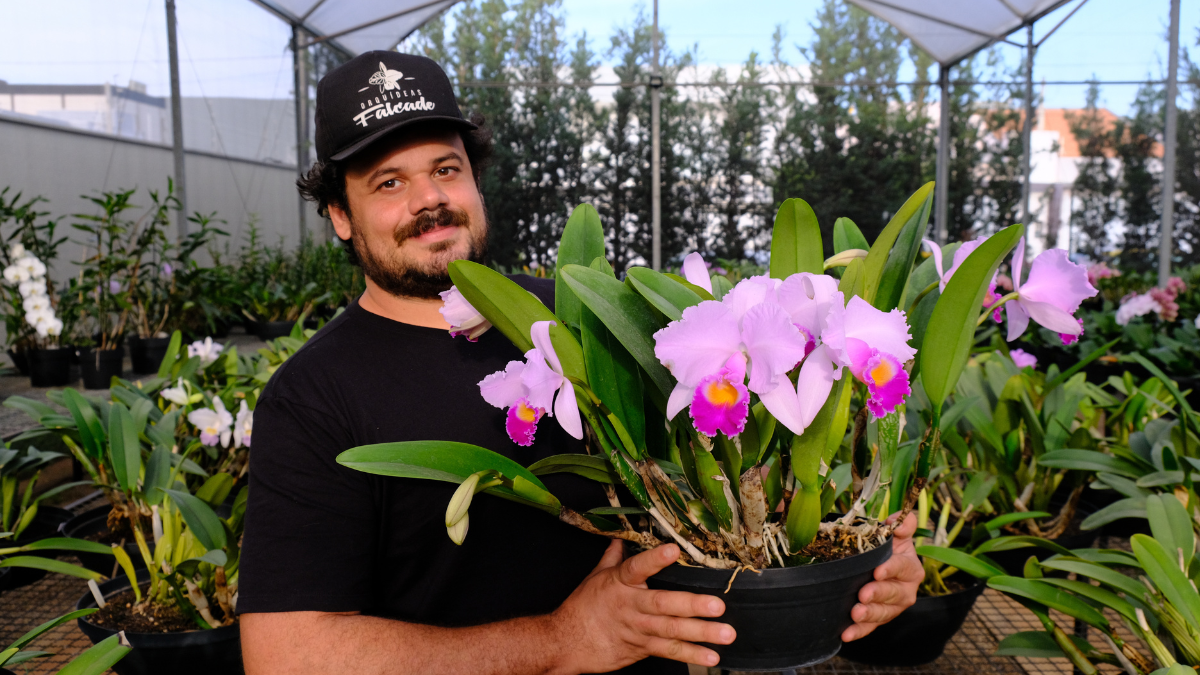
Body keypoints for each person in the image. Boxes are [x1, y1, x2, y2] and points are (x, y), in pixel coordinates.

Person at [238, 51, 923, 675]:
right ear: (339, 215)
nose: (429, 199)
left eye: (446, 169)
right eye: (388, 181)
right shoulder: (311, 399)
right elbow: (286, 654)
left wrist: (857, 551)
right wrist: (560, 640)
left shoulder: (593, 320)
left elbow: (735, 487)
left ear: (475, 180)